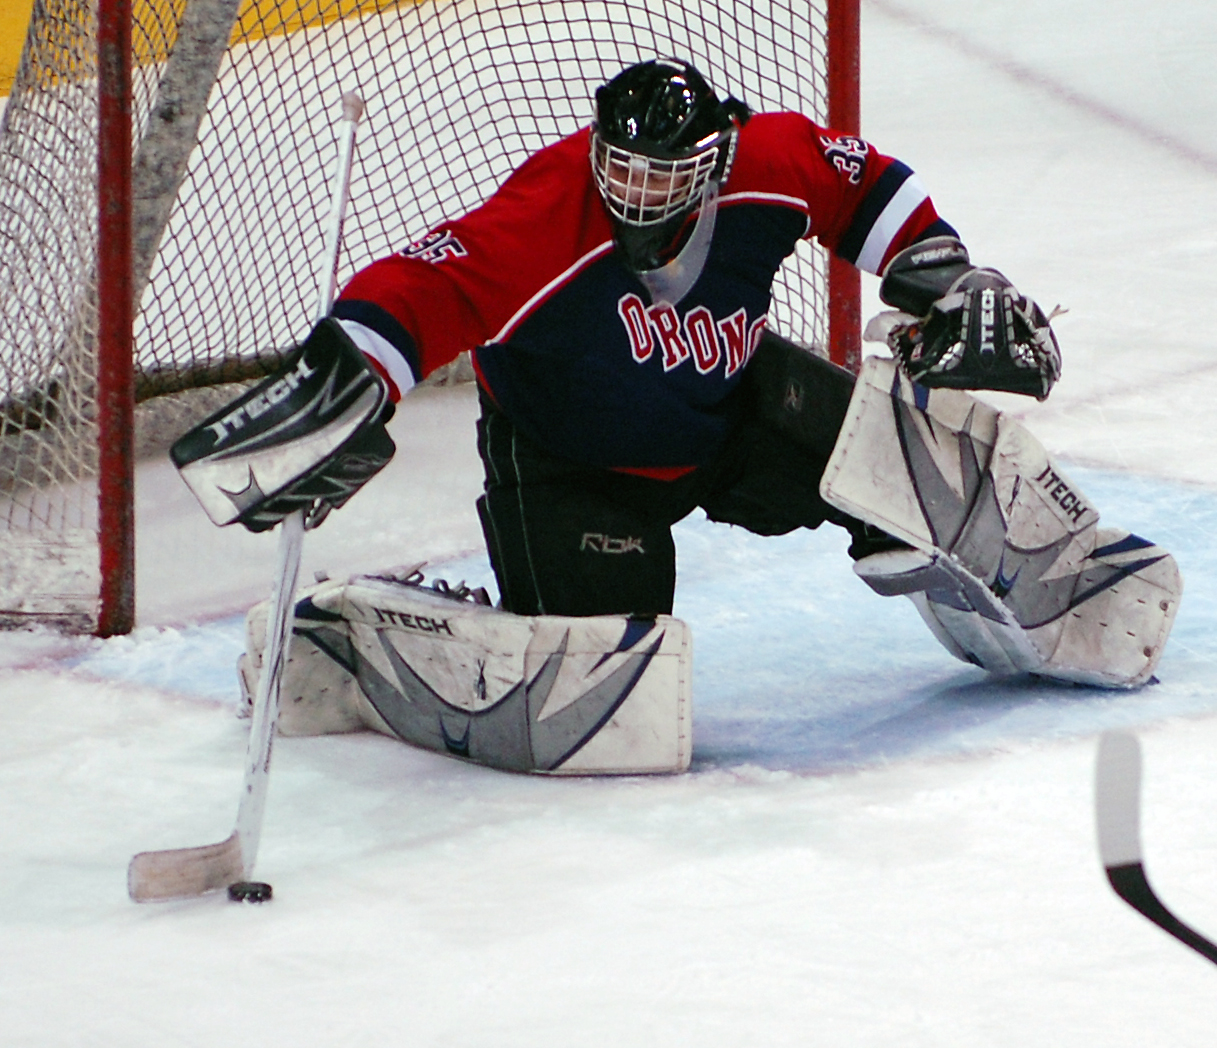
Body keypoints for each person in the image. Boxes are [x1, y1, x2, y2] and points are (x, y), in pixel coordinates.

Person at [173, 59, 1180, 773]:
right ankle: (358, 637)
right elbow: (422, 289)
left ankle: (1057, 576)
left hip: (733, 411)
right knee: (610, 711)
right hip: (569, 465)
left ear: (711, 160)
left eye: (664, 174)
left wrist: (950, 279)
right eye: (623, 168)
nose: (638, 193)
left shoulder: (767, 161)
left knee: (925, 453)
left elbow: (860, 179)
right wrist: (345, 377)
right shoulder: (547, 209)